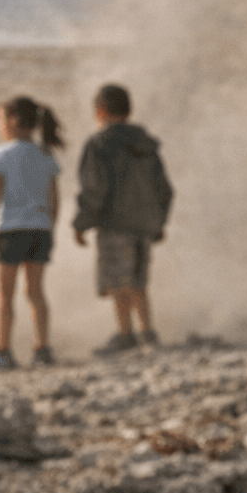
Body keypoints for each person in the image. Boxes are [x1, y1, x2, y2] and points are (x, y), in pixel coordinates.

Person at [73, 83, 175, 355]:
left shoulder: (98, 144)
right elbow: (164, 189)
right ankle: (148, 332)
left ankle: (125, 333)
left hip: (114, 225)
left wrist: (81, 223)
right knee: (139, 281)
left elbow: (94, 189)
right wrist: (159, 222)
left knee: (119, 282)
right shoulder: (146, 144)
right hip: (144, 225)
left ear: (100, 111)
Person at [0, 95, 63, 371]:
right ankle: (42, 348)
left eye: (1, 120)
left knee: (5, 295)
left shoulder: (0, 154)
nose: (0, 126)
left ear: (13, 122)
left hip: (11, 229)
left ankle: (2, 351)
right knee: (36, 293)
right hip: (40, 229)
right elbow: (55, 198)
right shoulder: (46, 154)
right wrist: (51, 225)